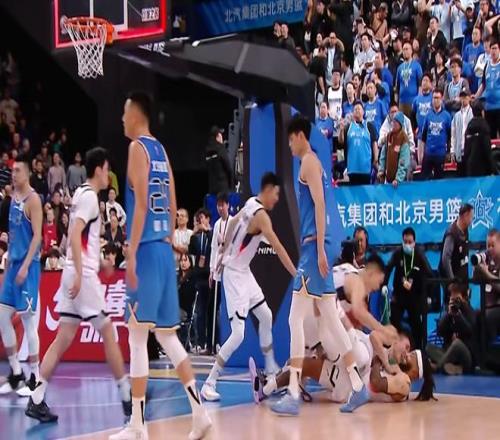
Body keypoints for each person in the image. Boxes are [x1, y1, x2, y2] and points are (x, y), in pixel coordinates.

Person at [111, 92, 210, 440]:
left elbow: (140, 207)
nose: (122, 119)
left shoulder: (136, 148)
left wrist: (132, 253)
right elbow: (172, 203)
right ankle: (200, 413)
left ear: (137, 115)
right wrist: (167, 241)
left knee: (137, 337)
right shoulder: (162, 151)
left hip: (146, 250)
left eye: (124, 113)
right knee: (168, 337)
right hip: (164, 251)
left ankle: (137, 425)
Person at [25, 147, 132, 422]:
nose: (109, 174)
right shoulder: (91, 199)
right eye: (107, 169)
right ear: (98, 169)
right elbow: (74, 234)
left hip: (73, 273)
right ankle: (127, 398)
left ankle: (36, 399)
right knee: (108, 331)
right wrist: (84, 271)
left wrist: (99, 262)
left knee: (63, 338)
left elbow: (83, 239)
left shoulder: (83, 195)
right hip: (81, 276)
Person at [271, 115, 368, 417]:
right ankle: (357, 384)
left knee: (294, 319)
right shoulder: (316, 165)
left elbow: (321, 205)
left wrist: (321, 250)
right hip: (317, 246)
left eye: (291, 140)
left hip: (314, 249)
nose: (290, 146)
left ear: (300, 136)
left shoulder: (309, 163)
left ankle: (292, 393)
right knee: (331, 320)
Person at [201, 173, 296, 401]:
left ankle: (271, 368)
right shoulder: (262, 217)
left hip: (244, 272)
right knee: (238, 335)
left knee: (266, 315)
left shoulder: (251, 202)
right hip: (234, 275)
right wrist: (297, 274)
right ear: (268, 189)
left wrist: (224, 249)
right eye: (276, 194)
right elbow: (278, 247)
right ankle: (209, 383)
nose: (277, 199)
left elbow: (233, 222)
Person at [0, 153, 42, 396]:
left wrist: (25, 266)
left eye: (17, 170)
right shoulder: (11, 198)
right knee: (2, 316)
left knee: (28, 321)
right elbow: (12, 235)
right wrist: (8, 264)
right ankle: (16, 373)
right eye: (12, 170)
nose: (13, 174)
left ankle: (34, 377)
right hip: (13, 263)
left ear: (27, 173)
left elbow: (37, 236)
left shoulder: (33, 200)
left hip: (29, 266)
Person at [384, 227, 433, 349]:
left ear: (414, 243)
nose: (407, 245)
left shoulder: (419, 255)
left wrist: (429, 295)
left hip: (414, 296)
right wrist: (384, 285)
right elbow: (388, 268)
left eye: (410, 242)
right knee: (393, 320)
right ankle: (391, 348)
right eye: (405, 242)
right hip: (399, 294)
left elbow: (429, 274)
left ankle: (419, 350)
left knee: (417, 325)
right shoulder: (398, 253)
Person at [426, 283, 477, 374]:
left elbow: (469, 331)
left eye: (457, 299)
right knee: (428, 347)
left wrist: (458, 316)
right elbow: (440, 331)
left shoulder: (470, 312)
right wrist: (448, 315)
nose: (455, 302)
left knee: (456, 343)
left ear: (464, 298)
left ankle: (438, 367)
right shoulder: (449, 312)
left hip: (465, 355)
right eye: (452, 299)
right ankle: (454, 367)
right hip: (449, 353)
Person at [208, 193, 232, 353]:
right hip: (217, 272)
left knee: (227, 308)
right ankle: (211, 343)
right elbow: (213, 249)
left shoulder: (233, 222)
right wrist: (211, 270)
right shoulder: (217, 224)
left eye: (223, 205)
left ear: (228, 205)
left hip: (229, 271)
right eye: (218, 205)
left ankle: (226, 342)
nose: (220, 208)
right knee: (213, 307)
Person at [189, 208, 212, 353]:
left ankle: (212, 342)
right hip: (199, 276)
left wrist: (207, 230)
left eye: (202, 217)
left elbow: (216, 245)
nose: (200, 221)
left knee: (211, 311)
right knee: (200, 312)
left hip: (210, 276)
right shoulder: (197, 237)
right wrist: (193, 233)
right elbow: (191, 250)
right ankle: (201, 343)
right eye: (198, 219)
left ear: (208, 219)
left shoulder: (212, 233)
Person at [338, 102, 378, 185]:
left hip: (366, 168)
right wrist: (341, 130)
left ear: (363, 112)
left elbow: (374, 143)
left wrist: (375, 159)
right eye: (355, 109)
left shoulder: (369, 126)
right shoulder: (348, 127)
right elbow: (341, 141)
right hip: (352, 168)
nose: (357, 111)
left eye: (359, 109)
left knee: (366, 192)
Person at [473, 230, 500, 344]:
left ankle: (490, 350)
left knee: (487, 317)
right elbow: (475, 281)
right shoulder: (487, 260)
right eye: (488, 246)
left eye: (493, 245)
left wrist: (486, 273)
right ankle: (475, 352)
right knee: (473, 317)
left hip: (497, 307)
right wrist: (477, 270)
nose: (490, 249)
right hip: (486, 307)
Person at [421, 89, 452, 180]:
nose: (436, 100)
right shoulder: (428, 115)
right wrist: (423, 153)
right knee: (425, 179)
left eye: (438, 98)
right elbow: (423, 136)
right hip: (428, 154)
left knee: (439, 180)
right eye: (434, 98)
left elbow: (450, 136)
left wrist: (448, 152)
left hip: (440, 154)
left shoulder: (447, 116)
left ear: (441, 99)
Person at [440, 203, 474, 286]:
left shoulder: (465, 231)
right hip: (453, 283)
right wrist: (452, 280)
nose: (472, 220)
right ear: (465, 216)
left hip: (463, 278)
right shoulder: (451, 233)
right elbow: (445, 258)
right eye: (471, 217)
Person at [474, 38, 500, 138]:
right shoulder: (487, 66)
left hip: (499, 106)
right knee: (490, 136)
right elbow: (483, 84)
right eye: (492, 48)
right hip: (489, 107)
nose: (493, 51)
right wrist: (476, 96)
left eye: (495, 48)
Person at [463, 100, 496, 177]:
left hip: (470, 167)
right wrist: (493, 169)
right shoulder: (484, 127)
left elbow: (466, 150)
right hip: (482, 167)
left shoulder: (469, 127)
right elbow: (487, 149)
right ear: (482, 112)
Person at [377, 111, 411, 187]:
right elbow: (383, 156)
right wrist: (381, 171)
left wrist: (398, 179)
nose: (393, 124)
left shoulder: (404, 139)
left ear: (400, 124)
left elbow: (403, 161)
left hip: (400, 182)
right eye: (393, 121)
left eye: (395, 122)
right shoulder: (389, 136)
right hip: (388, 179)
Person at [396, 42, 423, 117]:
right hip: (402, 102)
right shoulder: (400, 68)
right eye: (403, 49)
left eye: (407, 49)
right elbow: (397, 86)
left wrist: (418, 99)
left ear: (411, 51)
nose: (405, 51)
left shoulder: (417, 66)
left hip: (413, 100)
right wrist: (397, 101)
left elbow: (420, 84)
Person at [451, 88, 474, 176]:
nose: (463, 99)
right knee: (460, 177)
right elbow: (453, 135)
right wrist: (452, 150)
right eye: (462, 97)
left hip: (471, 152)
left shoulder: (473, 113)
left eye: (465, 96)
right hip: (459, 152)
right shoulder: (456, 116)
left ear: (469, 98)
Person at [205, 126, 233, 195]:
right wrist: (232, 183)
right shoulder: (220, 148)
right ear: (217, 136)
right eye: (220, 134)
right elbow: (228, 167)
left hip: (212, 188)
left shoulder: (207, 151)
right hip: (223, 189)